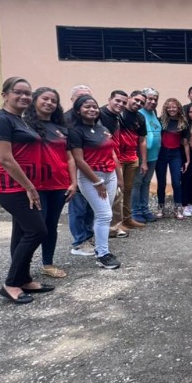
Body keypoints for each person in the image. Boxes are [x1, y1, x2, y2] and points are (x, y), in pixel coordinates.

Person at [0, 77, 50, 303]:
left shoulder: (20, 120)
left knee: (22, 232)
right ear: (5, 95)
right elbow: (4, 158)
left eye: (28, 93)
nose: (24, 97)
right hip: (13, 188)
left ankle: (23, 279)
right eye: (18, 92)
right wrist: (29, 187)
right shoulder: (0, 120)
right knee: (37, 231)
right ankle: (11, 283)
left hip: (23, 185)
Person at [23, 86, 77, 279]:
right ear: (35, 100)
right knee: (35, 229)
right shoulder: (24, 126)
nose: (49, 103)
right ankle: (22, 266)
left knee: (51, 225)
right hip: (35, 186)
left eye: (54, 101)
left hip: (59, 185)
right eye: (45, 99)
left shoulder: (61, 129)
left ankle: (48, 263)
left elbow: (69, 158)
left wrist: (73, 183)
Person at [68, 94, 121, 269]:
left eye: (94, 107)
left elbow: (112, 153)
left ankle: (100, 247)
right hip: (91, 177)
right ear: (78, 110)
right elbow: (79, 160)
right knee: (105, 215)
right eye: (87, 106)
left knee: (103, 214)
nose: (92, 109)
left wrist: (119, 177)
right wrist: (97, 182)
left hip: (110, 175)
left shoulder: (102, 128)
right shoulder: (75, 131)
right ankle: (102, 254)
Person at [65, 84, 95, 256]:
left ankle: (88, 236)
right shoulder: (65, 120)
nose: (85, 101)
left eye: (88, 97)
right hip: (75, 169)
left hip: (92, 169)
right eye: (80, 97)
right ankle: (79, 241)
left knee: (90, 206)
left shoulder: (93, 119)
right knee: (78, 207)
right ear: (72, 100)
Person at [98, 90, 128, 239]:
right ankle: (101, 231)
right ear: (109, 99)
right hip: (104, 161)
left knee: (116, 195)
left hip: (116, 158)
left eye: (123, 102)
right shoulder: (100, 115)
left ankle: (114, 227)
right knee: (106, 197)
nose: (120, 104)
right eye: (117, 100)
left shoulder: (117, 116)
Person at [116, 91, 148, 229]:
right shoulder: (117, 113)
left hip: (132, 159)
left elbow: (142, 141)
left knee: (128, 190)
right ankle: (116, 223)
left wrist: (144, 162)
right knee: (117, 191)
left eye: (142, 102)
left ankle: (127, 219)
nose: (138, 103)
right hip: (117, 159)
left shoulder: (140, 117)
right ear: (129, 98)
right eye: (136, 100)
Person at [131, 88, 162, 224]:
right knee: (137, 183)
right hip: (140, 156)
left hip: (153, 156)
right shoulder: (138, 113)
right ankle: (135, 212)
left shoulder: (153, 113)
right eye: (150, 99)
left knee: (146, 182)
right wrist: (142, 159)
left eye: (155, 99)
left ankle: (145, 209)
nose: (153, 101)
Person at [156, 98, 188, 219]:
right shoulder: (160, 121)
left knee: (176, 182)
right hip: (161, 154)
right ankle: (160, 207)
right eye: (169, 107)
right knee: (161, 182)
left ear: (178, 108)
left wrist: (188, 160)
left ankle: (178, 208)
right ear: (165, 108)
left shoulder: (183, 123)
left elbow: (185, 143)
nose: (171, 109)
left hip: (176, 155)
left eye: (174, 107)